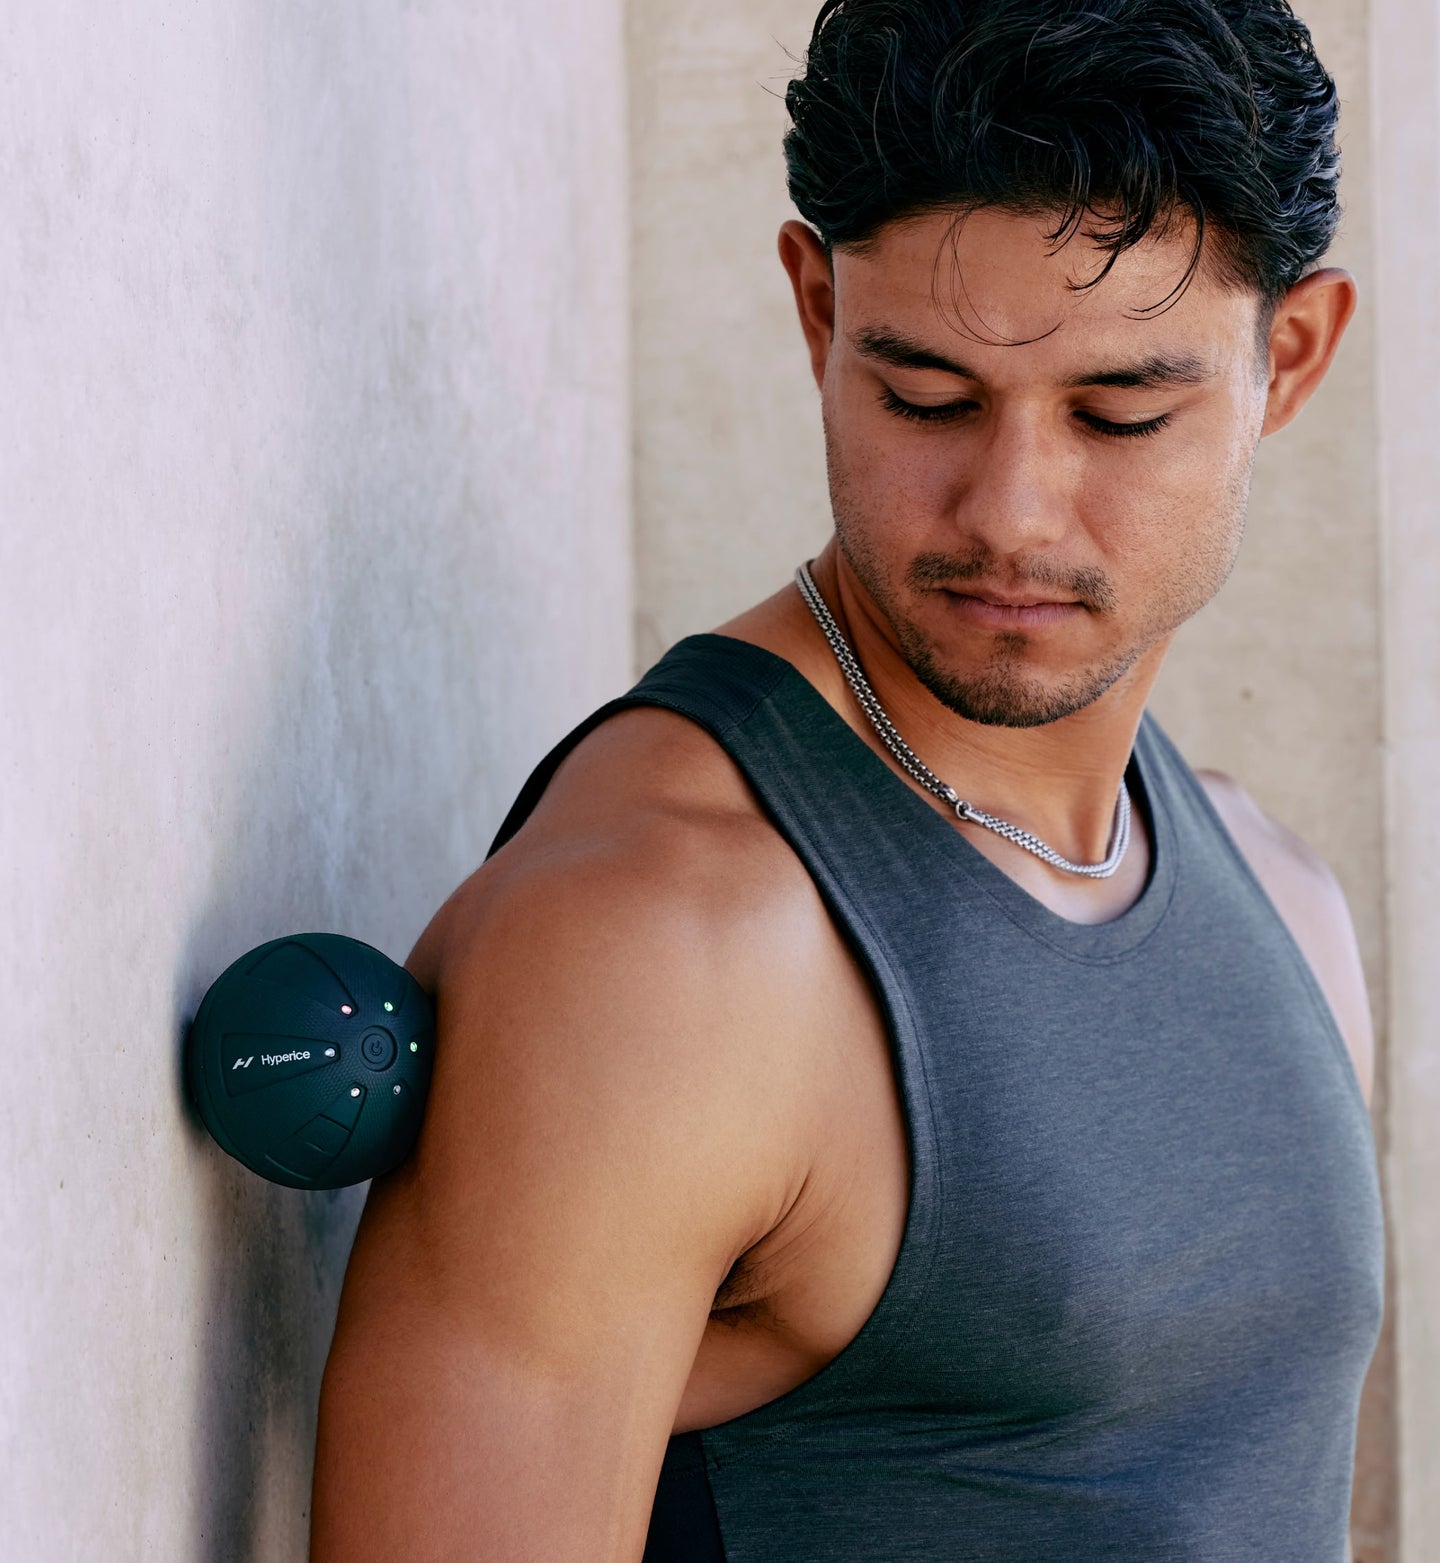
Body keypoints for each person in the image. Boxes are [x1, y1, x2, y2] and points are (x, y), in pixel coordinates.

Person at [311, 1, 1383, 1557]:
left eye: (1119, 412)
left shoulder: (1277, 893)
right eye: (927, 398)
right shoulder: (662, 947)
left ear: (1286, 360)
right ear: (818, 314)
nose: (1012, 511)